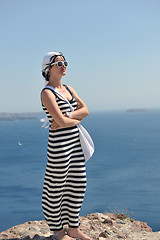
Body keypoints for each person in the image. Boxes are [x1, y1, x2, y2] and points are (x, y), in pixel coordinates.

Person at [41, 51, 92, 240]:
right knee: (55, 187)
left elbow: (86, 111)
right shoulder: (47, 93)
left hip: (75, 143)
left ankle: (73, 228)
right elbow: (60, 122)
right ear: (48, 68)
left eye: (65, 63)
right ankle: (58, 231)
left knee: (78, 184)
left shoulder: (69, 89)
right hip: (59, 146)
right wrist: (74, 118)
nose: (64, 66)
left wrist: (69, 117)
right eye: (59, 63)